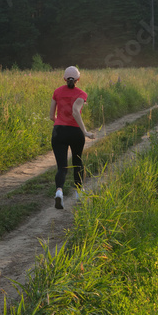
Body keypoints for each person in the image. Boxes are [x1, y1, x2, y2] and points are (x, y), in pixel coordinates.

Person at [49, 65, 95, 209]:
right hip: (75, 132)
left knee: (61, 166)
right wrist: (85, 131)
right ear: (78, 79)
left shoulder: (57, 92)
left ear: (64, 78)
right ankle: (79, 195)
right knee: (77, 162)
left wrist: (59, 122)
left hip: (59, 132)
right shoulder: (82, 94)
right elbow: (76, 111)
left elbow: (51, 116)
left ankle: (59, 193)